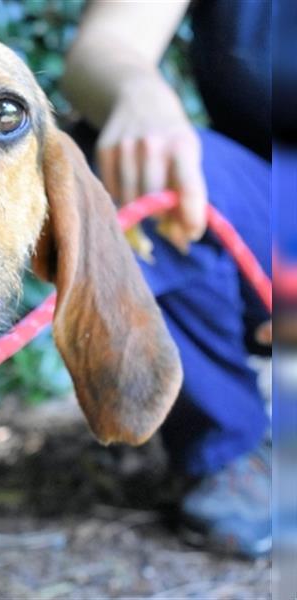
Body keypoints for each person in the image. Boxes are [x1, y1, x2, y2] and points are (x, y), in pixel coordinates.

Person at [61, 0, 272, 558]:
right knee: (125, 163)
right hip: (266, 205)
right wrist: (139, 94)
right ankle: (227, 448)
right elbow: (105, 46)